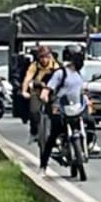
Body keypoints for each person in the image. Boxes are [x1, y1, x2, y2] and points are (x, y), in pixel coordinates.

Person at [38, 45, 89, 175]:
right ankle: (43, 165)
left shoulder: (79, 74)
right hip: (62, 108)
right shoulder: (61, 73)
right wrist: (44, 95)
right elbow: (49, 88)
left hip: (76, 107)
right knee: (53, 136)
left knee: (90, 122)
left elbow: (80, 91)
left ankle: (88, 145)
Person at [22, 45, 60, 143]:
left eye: (46, 56)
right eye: (41, 57)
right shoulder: (34, 66)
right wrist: (24, 91)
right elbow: (27, 79)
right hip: (37, 91)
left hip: (52, 92)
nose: (44, 60)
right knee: (34, 112)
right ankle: (34, 132)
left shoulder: (56, 66)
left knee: (56, 113)